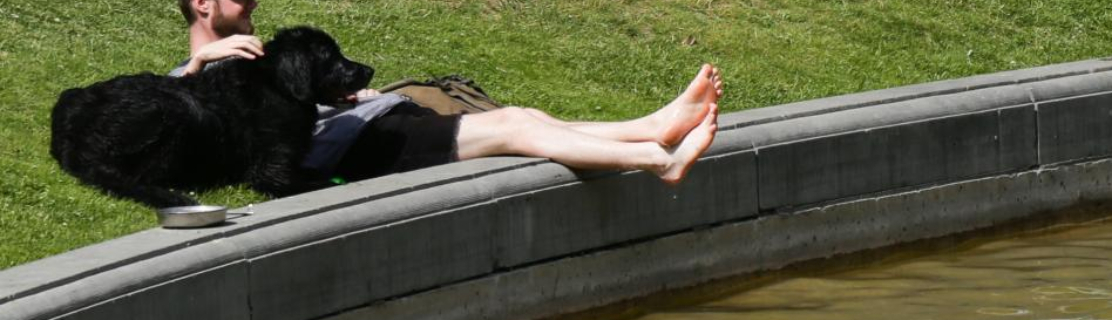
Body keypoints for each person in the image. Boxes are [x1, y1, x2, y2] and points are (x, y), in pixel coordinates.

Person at [173, 0, 722, 187]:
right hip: (366, 150)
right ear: (201, 4)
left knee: (522, 114)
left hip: (377, 124)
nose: (252, 3)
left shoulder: (258, 55)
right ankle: (657, 160)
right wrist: (197, 64)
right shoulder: (199, 71)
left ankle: (653, 127)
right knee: (513, 129)